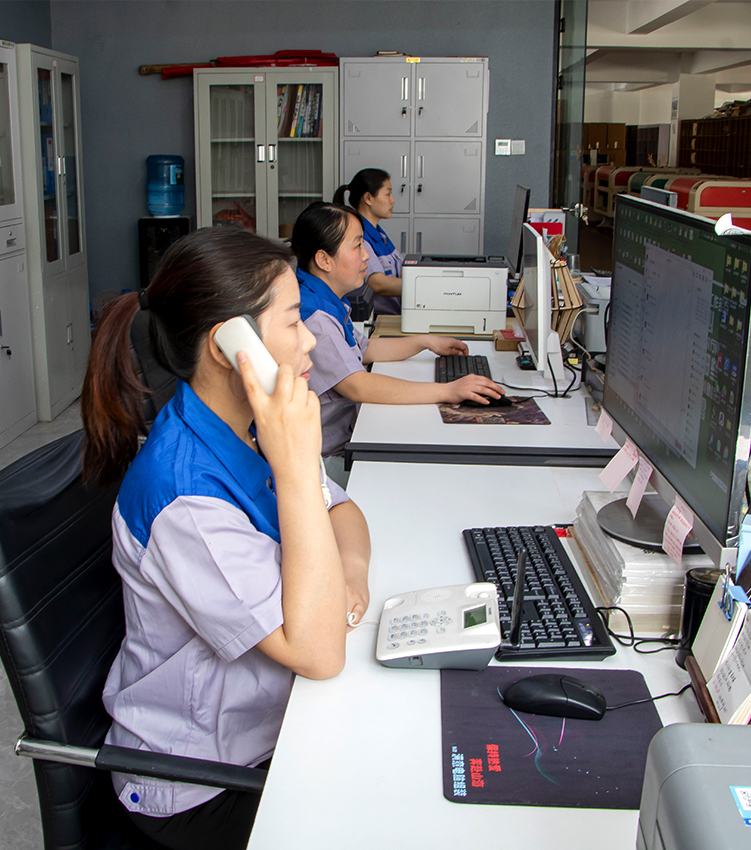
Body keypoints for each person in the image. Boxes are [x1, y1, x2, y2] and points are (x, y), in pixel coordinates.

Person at [81, 228, 370, 850]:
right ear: (230, 346)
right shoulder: (184, 498)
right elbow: (319, 653)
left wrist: (350, 578)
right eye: (293, 322)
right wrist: (296, 468)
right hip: (199, 781)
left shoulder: (248, 423)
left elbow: (342, 513)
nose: (311, 338)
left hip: (275, 723)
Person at [290, 202, 505, 484]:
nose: (366, 255)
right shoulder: (315, 316)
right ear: (324, 260)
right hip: (327, 460)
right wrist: (448, 390)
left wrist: (424, 341)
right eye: (357, 246)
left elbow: (364, 350)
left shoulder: (324, 298)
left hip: (348, 435)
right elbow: (357, 385)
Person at [333, 168, 402, 316]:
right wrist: (422, 287)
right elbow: (378, 283)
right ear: (368, 198)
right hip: (378, 321)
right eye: (388, 194)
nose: (392, 200)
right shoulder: (361, 236)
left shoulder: (378, 233)